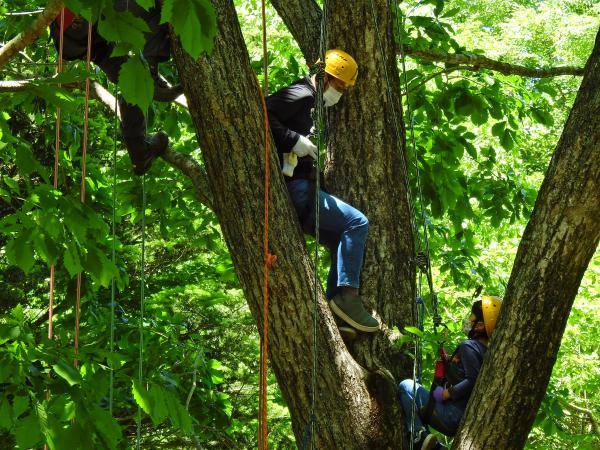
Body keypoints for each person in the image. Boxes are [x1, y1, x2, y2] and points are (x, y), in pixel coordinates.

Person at [265, 49, 379, 333]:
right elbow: (261, 110)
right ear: (324, 77)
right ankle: (348, 297)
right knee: (357, 222)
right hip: (297, 189)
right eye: (339, 85)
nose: (341, 92)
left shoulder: (313, 103)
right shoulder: (302, 94)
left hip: (301, 187)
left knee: (340, 238)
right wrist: (292, 139)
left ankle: (336, 311)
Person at [50, 2, 182, 175]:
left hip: (73, 39)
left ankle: (139, 153)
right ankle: (150, 70)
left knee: (131, 80)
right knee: (158, 6)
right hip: (82, 20)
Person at [398, 296, 503, 450]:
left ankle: (418, 437)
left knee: (406, 386)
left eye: (472, 316)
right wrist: (449, 366)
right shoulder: (487, 352)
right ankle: (436, 447)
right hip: (461, 416)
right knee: (424, 397)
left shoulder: (468, 346)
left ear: (480, 325)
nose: (469, 319)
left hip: (452, 415)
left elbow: (472, 380)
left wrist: (446, 394)